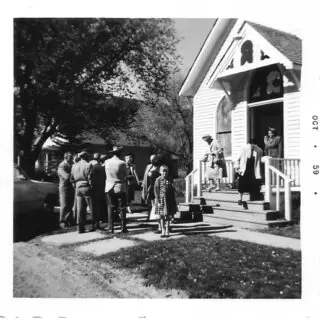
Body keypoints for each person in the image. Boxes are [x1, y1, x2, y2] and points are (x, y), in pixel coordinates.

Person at [104, 146, 128, 233]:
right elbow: (126, 175)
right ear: (120, 154)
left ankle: (111, 227)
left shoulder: (106, 162)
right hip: (120, 185)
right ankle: (123, 227)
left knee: (110, 207)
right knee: (122, 207)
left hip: (109, 186)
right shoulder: (122, 163)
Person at [70, 151, 94, 233]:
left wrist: (75, 185)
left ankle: (80, 228)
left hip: (78, 187)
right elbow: (91, 177)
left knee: (80, 209)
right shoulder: (88, 165)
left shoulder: (74, 166)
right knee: (92, 207)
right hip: (86, 185)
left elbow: (71, 179)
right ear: (86, 157)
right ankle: (94, 225)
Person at [235, 139, 263, 208]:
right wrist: (237, 167)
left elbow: (260, 160)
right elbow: (237, 159)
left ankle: (251, 198)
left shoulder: (259, 150)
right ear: (249, 144)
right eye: (251, 145)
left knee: (252, 184)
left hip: (252, 170)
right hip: (244, 169)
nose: (253, 147)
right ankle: (240, 199)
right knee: (241, 184)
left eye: (254, 145)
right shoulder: (243, 148)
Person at [154, 165, 177, 238]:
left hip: (169, 199)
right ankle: (162, 230)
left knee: (167, 215)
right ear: (160, 172)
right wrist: (157, 201)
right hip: (161, 199)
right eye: (163, 171)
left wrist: (173, 200)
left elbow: (173, 189)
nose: (164, 173)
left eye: (166, 171)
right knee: (161, 216)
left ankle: (167, 229)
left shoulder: (170, 179)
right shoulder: (158, 180)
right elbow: (156, 191)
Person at [57, 152, 75, 228]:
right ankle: (62, 221)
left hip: (70, 187)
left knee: (70, 205)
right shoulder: (62, 166)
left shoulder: (70, 165)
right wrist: (73, 174)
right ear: (66, 158)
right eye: (70, 158)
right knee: (64, 205)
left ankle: (69, 220)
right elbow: (66, 176)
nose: (72, 159)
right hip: (64, 187)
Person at [141, 154, 161, 222]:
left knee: (155, 202)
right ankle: (149, 215)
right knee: (149, 202)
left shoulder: (159, 167)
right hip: (148, 186)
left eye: (153, 159)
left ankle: (157, 217)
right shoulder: (148, 166)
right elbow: (145, 176)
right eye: (151, 159)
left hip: (155, 187)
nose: (152, 160)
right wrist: (143, 185)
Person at [90, 153, 107, 228]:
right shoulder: (100, 167)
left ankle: (98, 218)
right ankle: (102, 217)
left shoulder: (92, 165)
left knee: (96, 204)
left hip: (94, 186)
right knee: (100, 203)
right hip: (101, 186)